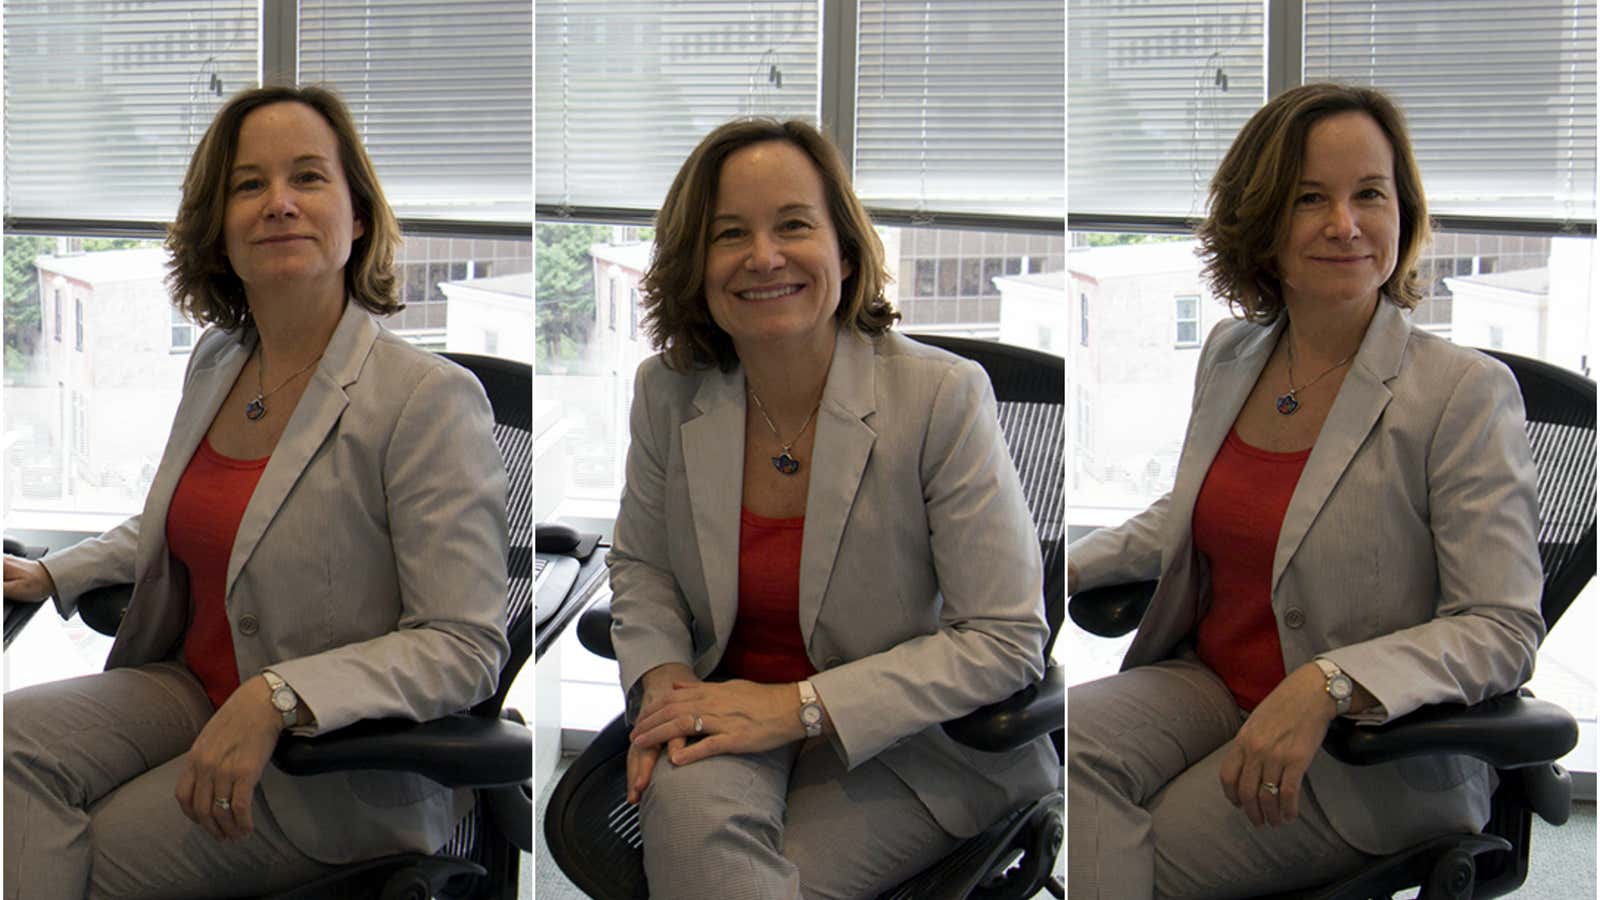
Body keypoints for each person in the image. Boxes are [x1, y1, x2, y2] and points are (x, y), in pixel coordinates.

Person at [1, 85, 509, 900]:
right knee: (8, 756)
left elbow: (462, 644)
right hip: (189, 688)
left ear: (358, 215)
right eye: (248, 185)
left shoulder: (424, 398)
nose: (278, 204)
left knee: (72, 854)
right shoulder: (220, 358)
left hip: (330, 763)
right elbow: (196, 516)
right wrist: (58, 573)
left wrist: (279, 694)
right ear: (220, 228)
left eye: (308, 178)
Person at [1065, 82, 1544, 899]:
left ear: (1405, 210)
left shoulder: (1460, 392)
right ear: (1262, 222)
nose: (1344, 224)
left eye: (1370, 195)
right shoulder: (1232, 353)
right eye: (1309, 199)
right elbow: (1191, 515)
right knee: (1060, 758)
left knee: (1137, 859)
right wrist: (1049, 566)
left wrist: (1329, 681)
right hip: (1212, 683)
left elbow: (1500, 628)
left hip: (1368, 751)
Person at [607, 118, 1059, 900]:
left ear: (845, 252)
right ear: (696, 267)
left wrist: (797, 707)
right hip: (723, 712)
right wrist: (668, 685)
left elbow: (1005, 639)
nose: (764, 257)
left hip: (918, 747)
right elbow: (642, 565)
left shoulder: (940, 396)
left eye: (793, 225)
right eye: (729, 235)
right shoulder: (667, 391)